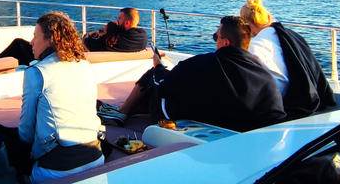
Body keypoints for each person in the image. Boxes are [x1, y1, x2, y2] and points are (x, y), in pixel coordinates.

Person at [98, 16, 286, 132]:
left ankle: (122, 113)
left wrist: (158, 67)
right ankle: (126, 110)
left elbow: (164, 87)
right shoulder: (263, 73)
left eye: (215, 37)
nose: (215, 41)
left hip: (188, 120)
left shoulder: (205, 62)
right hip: (242, 128)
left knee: (155, 78)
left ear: (226, 42)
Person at [0, 12, 104, 183]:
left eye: (35, 36)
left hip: (57, 169)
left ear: (50, 40)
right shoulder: (85, 65)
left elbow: (26, 134)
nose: (31, 42)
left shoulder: (37, 73)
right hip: (96, 157)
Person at [240, 0, 336, 119]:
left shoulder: (254, 47)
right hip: (311, 95)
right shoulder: (290, 36)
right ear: (268, 17)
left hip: (285, 102)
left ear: (245, 24)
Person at [0, 7, 147, 66]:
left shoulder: (107, 41)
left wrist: (100, 34)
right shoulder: (141, 38)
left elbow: (86, 43)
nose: (117, 20)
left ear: (127, 23)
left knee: (19, 45)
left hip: (63, 56)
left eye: (119, 19)